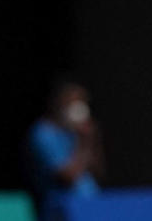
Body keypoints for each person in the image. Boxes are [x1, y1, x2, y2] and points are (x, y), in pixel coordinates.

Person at [26, 77, 106, 220]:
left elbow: (98, 172)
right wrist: (83, 142)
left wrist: (92, 140)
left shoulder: (75, 133)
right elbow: (68, 177)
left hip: (90, 205)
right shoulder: (43, 133)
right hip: (61, 211)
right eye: (72, 103)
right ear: (58, 103)